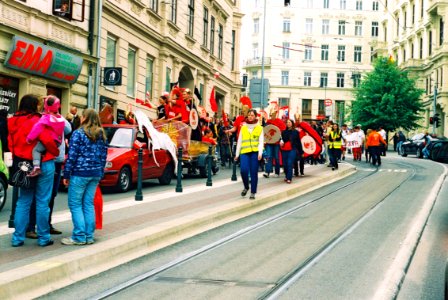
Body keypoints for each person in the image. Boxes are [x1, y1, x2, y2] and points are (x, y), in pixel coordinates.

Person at [8, 94, 59, 247]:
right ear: (34, 105)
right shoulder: (38, 120)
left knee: (23, 201)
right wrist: (55, 151)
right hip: (43, 161)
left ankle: (18, 238)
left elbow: (10, 144)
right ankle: (43, 238)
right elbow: (47, 140)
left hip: (23, 163)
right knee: (43, 201)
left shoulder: (11, 121)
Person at [62, 108, 108, 245]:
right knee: (88, 204)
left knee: (75, 204)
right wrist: (100, 172)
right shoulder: (102, 134)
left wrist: (66, 174)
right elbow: (104, 156)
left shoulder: (78, 133)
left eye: (82, 116)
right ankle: (89, 235)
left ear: (85, 118)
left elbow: (72, 156)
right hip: (95, 173)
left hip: (80, 173)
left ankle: (79, 236)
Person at [26, 96, 65, 177]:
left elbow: (37, 128)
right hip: (58, 142)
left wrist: (29, 138)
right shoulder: (61, 118)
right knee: (49, 154)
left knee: (36, 150)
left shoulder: (46, 118)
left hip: (49, 140)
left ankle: (36, 167)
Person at [234, 109, 264, 200]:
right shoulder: (243, 127)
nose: (250, 117)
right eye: (249, 115)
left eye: (252, 115)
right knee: (243, 170)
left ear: (255, 116)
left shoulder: (259, 128)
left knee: (254, 172)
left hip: (254, 153)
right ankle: (246, 186)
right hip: (244, 152)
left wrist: (260, 153)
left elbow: (261, 141)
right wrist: (237, 154)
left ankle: (253, 192)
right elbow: (239, 141)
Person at [263, 109, 286, 178]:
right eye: (271, 114)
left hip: (276, 142)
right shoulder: (268, 122)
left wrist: (281, 139)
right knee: (268, 157)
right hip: (269, 142)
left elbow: (282, 131)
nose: (271, 116)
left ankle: (277, 172)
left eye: (273, 114)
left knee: (276, 157)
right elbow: (265, 131)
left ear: (275, 114)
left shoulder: (280, 122)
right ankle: (267, 172)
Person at [280, 119, 301, 183]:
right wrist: (281, 142)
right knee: (285, 164)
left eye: (289, 122)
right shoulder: (283, 132)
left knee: (289, 163)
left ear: (292, 123)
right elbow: (281, 140)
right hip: (284, 150)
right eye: (287, 122)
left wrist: (301, 151)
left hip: (292, 149)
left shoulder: (296, 132)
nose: (288, 123)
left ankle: (289, 178)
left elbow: (299, 142)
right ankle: (286, 176)